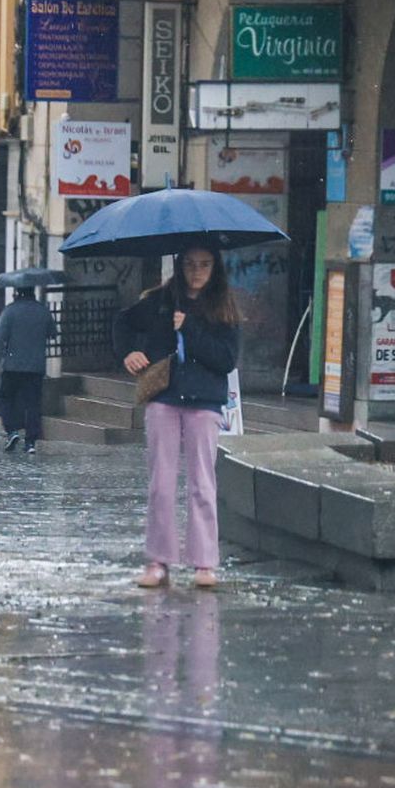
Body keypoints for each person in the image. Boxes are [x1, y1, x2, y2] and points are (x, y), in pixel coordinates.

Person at [112, 246, 240, 590]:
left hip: (205, 402)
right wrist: (129, 352)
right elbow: (123, 322)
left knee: (202, 483)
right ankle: (158, 561)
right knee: (161, 483)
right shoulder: (161, 301)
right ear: (180, 266)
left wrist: (191, 328)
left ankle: (204, 562)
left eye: (204, 265)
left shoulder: (223, 307)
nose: (197, 272)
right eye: (190, 264)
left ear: (215, 268)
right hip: (164, 397)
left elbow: (226, 359)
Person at [0, 286, 56, 454]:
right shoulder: (43, 311)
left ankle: (12, 431)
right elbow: (52, 333)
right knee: (33, 404)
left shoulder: (9, 311)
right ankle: (31, 442)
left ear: (17, 293)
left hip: (12, 366)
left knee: (5, 398)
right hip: (35, 366)